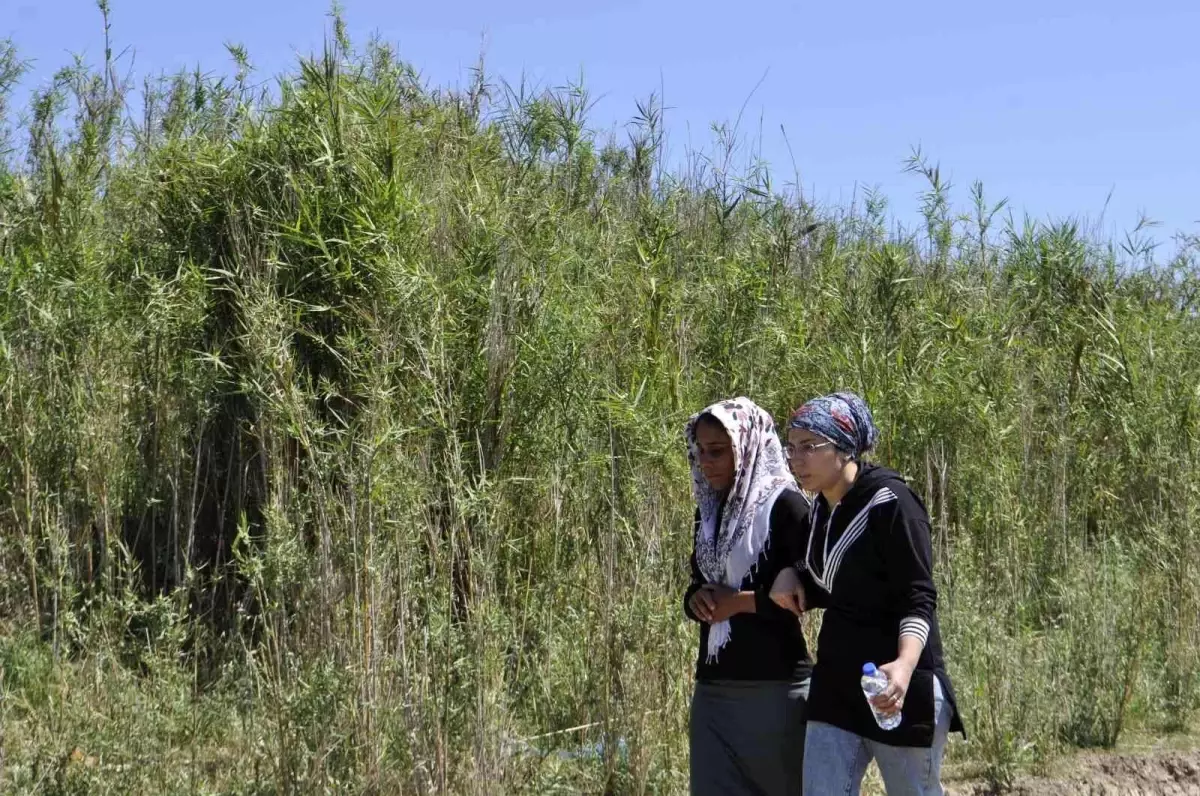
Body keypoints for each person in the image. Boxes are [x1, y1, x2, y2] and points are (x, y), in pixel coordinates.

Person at [769, 391, 965, 796]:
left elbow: (919, 596)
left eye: (809, 446)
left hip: (896, 687)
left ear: (843, 449)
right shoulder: (822, 509)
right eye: (791, 447)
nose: (796, 458)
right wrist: (792, 575)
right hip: (838, 685)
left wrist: (905, 666)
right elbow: (834, 581)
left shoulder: (891, 503)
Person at [682, 397, 814, 796]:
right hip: (714, 690)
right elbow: (697, 583)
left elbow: (808, 594)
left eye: (718, 451)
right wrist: (697, 601)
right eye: (700, 451)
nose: (706, 461)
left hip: (774, 692)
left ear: (746, 445)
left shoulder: (787, 506)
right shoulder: (709, 512)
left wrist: (736, 602)